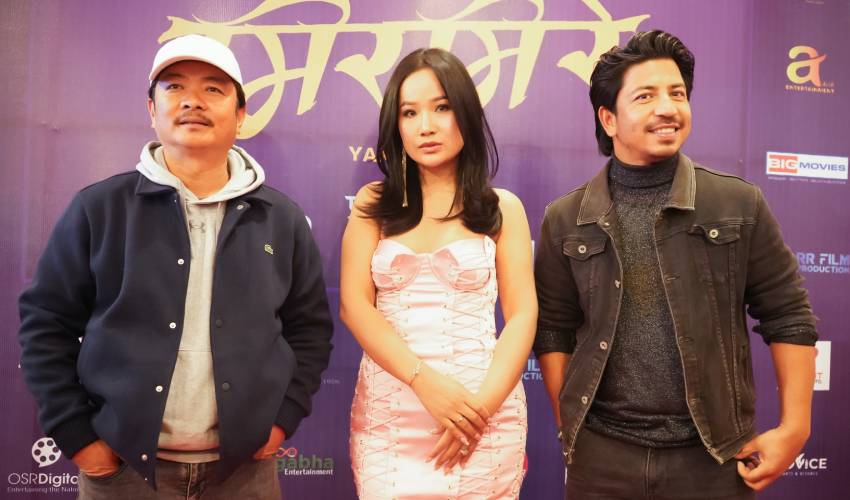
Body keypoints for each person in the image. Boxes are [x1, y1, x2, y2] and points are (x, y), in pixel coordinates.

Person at [18, 34, 333, 499]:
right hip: (123, 471)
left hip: (244, 473)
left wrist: (282, 421)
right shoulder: (99, 208)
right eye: (174, 87)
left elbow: (309, 330)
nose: (192, 101)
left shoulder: (280, 218)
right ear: (152, 109)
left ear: (241, 114)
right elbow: (46, 324)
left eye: (213, 89)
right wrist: (78, 438)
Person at [533, 30, 817, 499]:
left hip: (713, 457)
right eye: (645, 96)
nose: (667, 108)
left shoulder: (737, 203)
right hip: (602, 460)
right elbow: (553, 331)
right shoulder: (566, 218)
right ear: (608, 118)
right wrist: (572, 425)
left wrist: (796, 426)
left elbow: (789, 315)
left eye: (677, 93)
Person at [340, 47, 537, 499]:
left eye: (442, 108)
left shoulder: (503, 208)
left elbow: (523, 316)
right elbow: (354, 305)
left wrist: (478, 410)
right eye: (410, 113)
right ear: (396, 125)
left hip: (482, 411)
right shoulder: (373, 204)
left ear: (465, 113)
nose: (425, 126)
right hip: (391, 417)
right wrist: (425, 384)